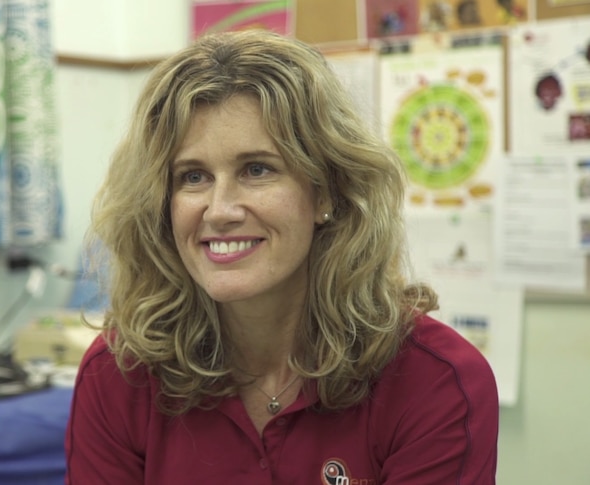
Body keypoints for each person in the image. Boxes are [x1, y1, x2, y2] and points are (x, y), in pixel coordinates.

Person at [65, 29, 499, 484]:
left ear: (326, 191)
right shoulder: (119, 375)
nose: (220, 210)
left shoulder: (434, 381)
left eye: (257, 169)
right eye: (193, 177)